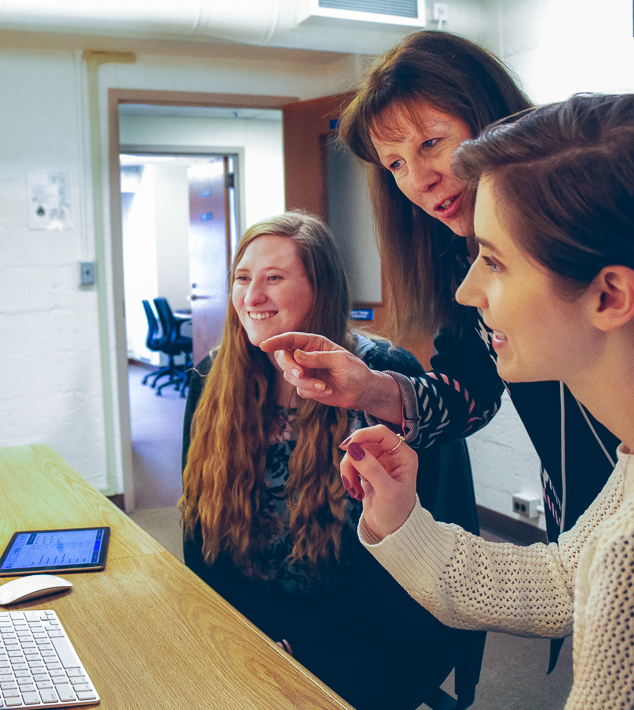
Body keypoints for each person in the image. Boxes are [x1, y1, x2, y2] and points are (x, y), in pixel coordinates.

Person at [341, 93, 634, 709]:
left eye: (493, 261)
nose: (466, 290)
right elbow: (567, 577)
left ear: (610, 296)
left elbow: (618, 567)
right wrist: (400, 519)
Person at [263, 28, 634, 553]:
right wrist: (373, 389)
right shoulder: (457, 252)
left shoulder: (620, 194)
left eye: (431, 143)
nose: (418, 180)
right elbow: (471, 390)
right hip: (595, 516)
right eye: (395, 165)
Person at [179, 212, 456, 710]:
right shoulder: (210, 379)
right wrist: (230, 627)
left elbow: (409, 547)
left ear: (320, 287)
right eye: (243, 278)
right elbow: (200, 529)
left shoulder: (384, 377)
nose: (252, 297)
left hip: (361, 627)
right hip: (250, 620)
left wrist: (304, 647)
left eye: (274, 279)